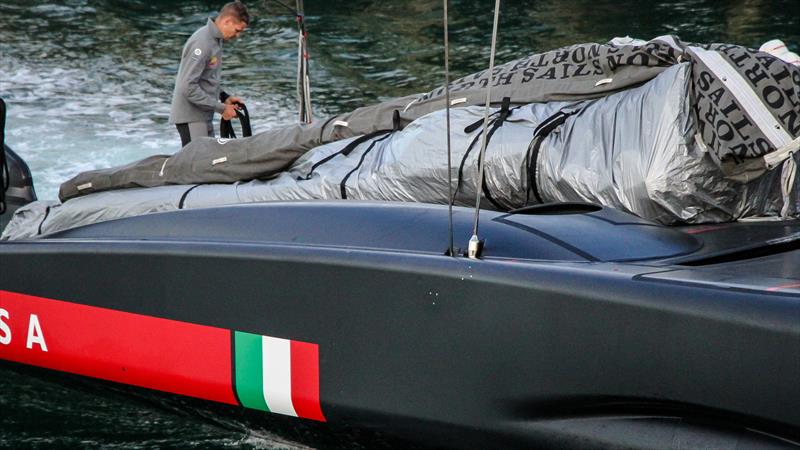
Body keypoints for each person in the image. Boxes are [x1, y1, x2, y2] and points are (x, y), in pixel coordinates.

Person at [169, 1, 250, 147]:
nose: (237, 36)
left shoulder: (215, 40)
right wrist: (222, 109)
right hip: (191, 117)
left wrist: (224, 97)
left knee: (208, 161)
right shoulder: (202, 43)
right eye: (237, 30)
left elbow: (206, 79)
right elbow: (187, 86)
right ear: (227, 21)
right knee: (198, 164)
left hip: (203, 115)